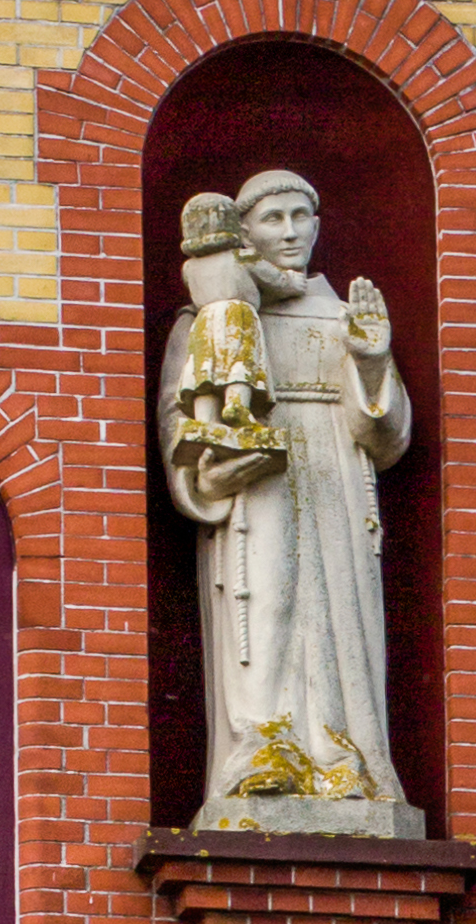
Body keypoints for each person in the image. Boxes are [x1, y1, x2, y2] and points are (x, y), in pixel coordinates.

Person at [157, 166, 417, 829]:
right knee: (265, 610)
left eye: (301, 218)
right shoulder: (213, 317)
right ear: (244, 232)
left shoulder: (341, 318)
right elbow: (179, 427)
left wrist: (370, 361)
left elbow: (386, 436)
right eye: (273, 219)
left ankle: (347, 759)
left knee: (340, 625)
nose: (291, 232)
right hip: (259, 491)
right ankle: (263, 752)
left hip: (332, 479)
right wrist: (209, 479)